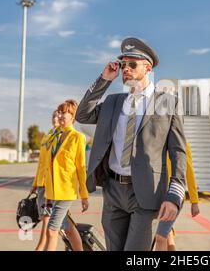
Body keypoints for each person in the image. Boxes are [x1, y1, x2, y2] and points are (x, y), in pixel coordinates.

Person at [75, 37, 187, 251]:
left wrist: (175, 195)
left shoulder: (167, 102)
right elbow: (82, 114)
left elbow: (179, 153)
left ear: (148, 67)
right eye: (123, 64)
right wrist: (103, 80)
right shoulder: (113, 102)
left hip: (146, 192)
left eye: (132, 64)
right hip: (113, 191)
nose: (126, 69)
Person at [43, 99, 89, 251]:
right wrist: (47, 193)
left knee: (52, 229)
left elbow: (80, 168)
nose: (61, 115)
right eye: (60, 112)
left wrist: (84, 195)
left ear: (73, 116)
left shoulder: (78, 137)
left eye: (65, 113)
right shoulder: (54, 136)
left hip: (67, 191)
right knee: (68, 228)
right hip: (53, 191)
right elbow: (48, 166)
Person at [154, 142, 200, 251]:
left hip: (173, 197)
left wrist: (195, 201)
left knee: (160, 237)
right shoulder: (156, 140)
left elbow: (189, 172)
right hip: (156, 196)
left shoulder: (183, 143)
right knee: (167, 234)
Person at [30, 110, 60, 251]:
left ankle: (40, 248)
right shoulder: (47, 137)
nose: (55, 118)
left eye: (58, 116)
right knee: (48, 222)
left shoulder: (60, 137)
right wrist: (35, 183)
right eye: (53, 116)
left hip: (52, 186)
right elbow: (41, 163)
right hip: (42, 184)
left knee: (49, 224)